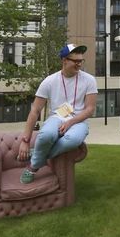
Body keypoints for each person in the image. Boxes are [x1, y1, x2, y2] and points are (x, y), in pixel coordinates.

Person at [17, 43, 98, 184]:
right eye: (76, 61)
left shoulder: (89, 80)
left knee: (72, 140)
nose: (79, 64)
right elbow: (35, 111)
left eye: (81, 61)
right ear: (64, 60)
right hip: (56, 117)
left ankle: (33, 165)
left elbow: (90, 109)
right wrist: (25, 141)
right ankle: (37, 160)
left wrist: (70, 122)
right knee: (46, 135)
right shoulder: (49, 81)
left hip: (78, 120)